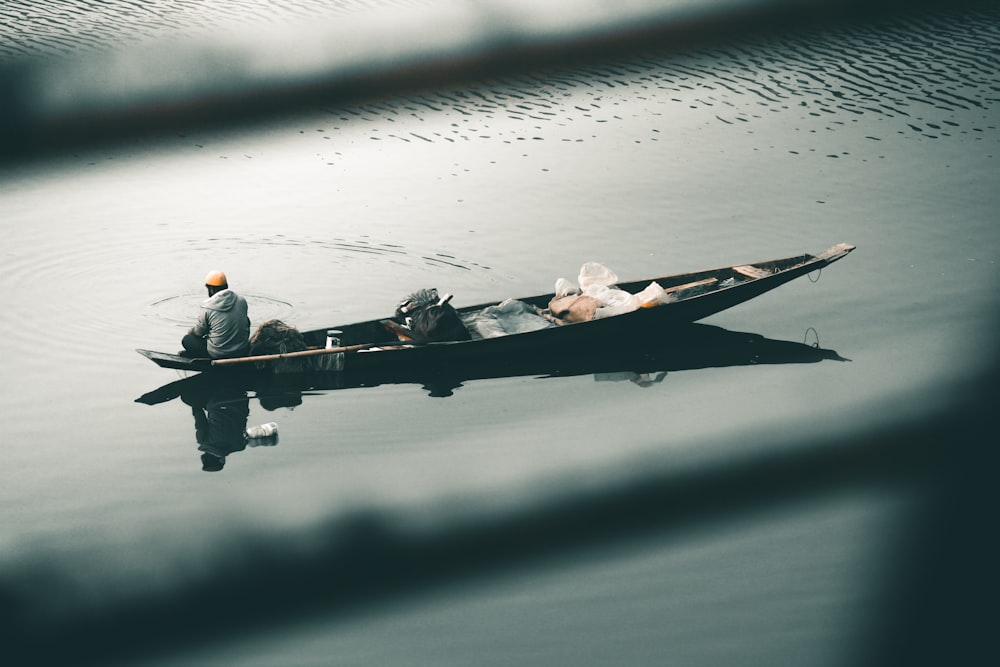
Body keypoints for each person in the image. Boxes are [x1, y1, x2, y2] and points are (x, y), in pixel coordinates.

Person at [181, 270, 251, 359]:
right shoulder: (241, 300)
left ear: (211, 289)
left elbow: (198, 333)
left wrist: (191, 331)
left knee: (187, 339)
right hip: (241, 350)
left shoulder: (207, 306)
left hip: (218, 354)